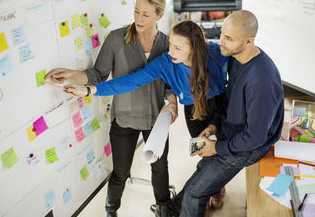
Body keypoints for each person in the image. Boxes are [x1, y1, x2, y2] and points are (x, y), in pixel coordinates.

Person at [64, 20, 229, 216]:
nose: (171, 52)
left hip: (221, 104)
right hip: (194, 111)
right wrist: (89, 90)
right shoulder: (167, 63)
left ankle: (215, 189)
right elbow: (130, 82)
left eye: (177, 48)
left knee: (223, 154)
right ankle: (207, 193)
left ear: (194, 48)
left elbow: (241, 62)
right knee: (205, 153)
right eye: (170, 46)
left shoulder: (215, 52)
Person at [45, 0, 178, 217]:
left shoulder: (167, 44)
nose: (138, 18)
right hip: (124, 118)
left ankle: (164, 209)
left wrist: (172, 103)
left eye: (146, 14)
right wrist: (71, 74)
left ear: (159, 15)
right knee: (120, 172)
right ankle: (111, 210)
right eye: (136, 11)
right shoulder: (117, 39)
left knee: (160, 167)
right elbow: (99, 74)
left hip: (156, 119)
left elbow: (169, 84)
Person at [169, 10, 285, 217]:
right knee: (203, 169)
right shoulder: (236, 59)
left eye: (228, 38)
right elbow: (230, 100)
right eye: (222, 34)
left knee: (195, 194)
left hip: (249, 145)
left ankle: (179, 208)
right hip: (233, 132)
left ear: (249, 41)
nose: (220, 42)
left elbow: (255, 137)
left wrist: (217, 148)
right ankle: (173, 210)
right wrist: (214, 125)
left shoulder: (261, 81)